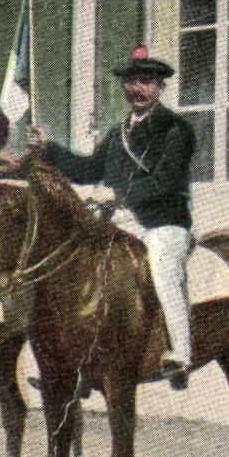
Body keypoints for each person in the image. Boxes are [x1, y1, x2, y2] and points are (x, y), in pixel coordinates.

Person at [28, 47, 195, 390]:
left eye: (146, 82)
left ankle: (181, 353)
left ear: (161, 86)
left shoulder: (176, 129)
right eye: (131, 81)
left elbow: (165, 181)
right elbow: (88, 170)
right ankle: (80, 364)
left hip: (162, 223)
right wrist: (49, 148)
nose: (137, 89)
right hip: (120, 222)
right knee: (74, 269)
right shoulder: (117, 132)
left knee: (164, 271)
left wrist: (117, 194)